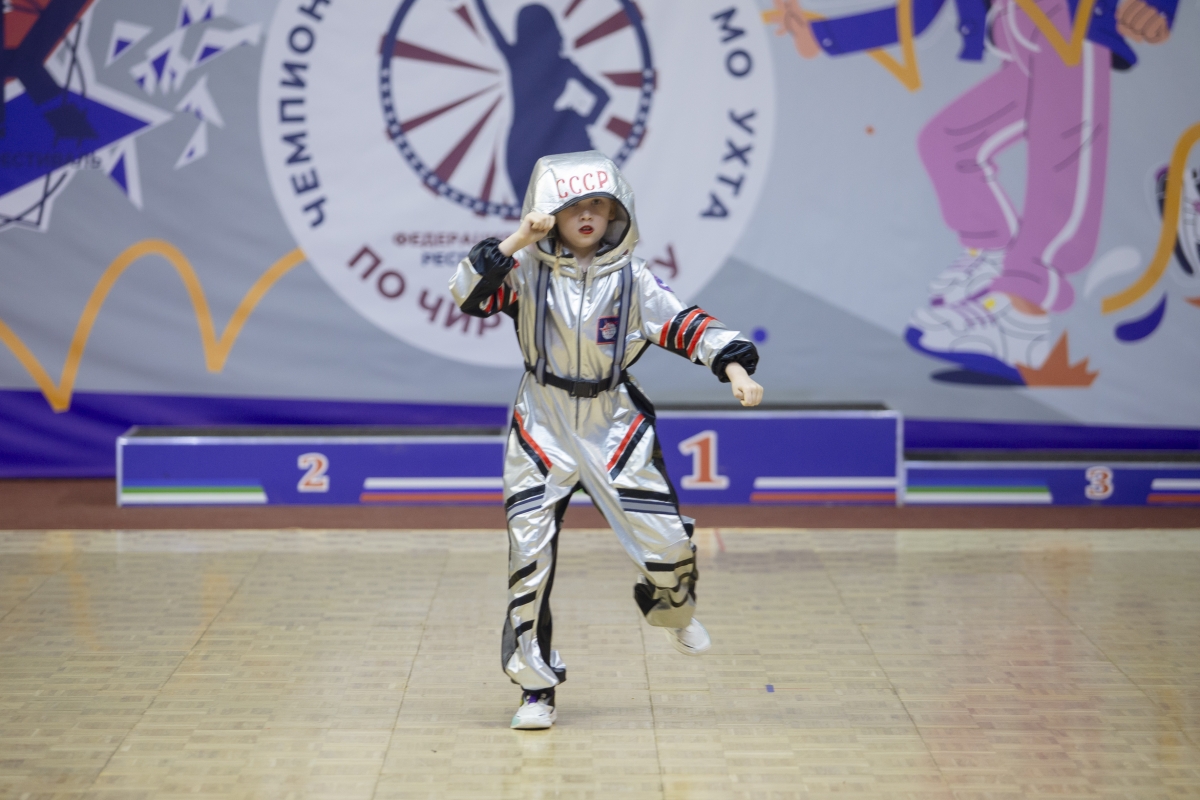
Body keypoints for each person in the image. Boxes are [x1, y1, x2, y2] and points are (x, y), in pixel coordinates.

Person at [449, 151, 763, 730]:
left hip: (613, 422)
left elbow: (689, 325)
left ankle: (671, 612)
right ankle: (535, 690)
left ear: (618, 211)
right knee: (528, 560)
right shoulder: (525, 270)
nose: (588, 215)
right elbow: (468, 293)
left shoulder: (633, 278)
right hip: (541, 422)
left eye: (598, 204)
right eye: (574, 206)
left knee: (669, 546)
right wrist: (520, 238)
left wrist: (736, 369)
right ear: (550, 212)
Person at [774, 0, 1176, 381]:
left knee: (1065, 154)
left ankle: (1022, 315)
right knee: (949, 142)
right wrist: (824, 36)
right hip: (1018, 33)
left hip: (1070, 23)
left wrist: (1159, 5)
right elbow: (920, 12)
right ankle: (994, 255)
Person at [474, 0, 611, 200]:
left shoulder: (519, 59)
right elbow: (602, 96)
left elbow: (490, 26)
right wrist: (581, 120)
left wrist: (577, 121)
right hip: (539, 143)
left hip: (529, 142)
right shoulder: (557, 64)